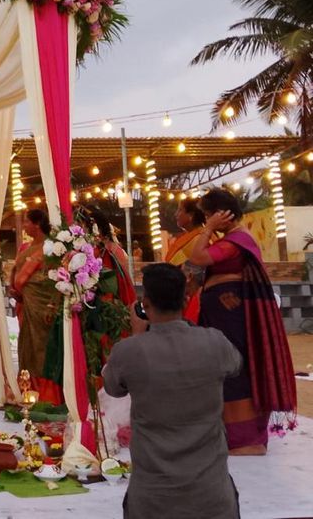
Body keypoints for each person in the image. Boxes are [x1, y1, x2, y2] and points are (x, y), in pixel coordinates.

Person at [103, 263, 242, 519]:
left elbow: (113, 387)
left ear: (144, 304)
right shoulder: (215, 342)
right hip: (212, 498)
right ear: (186, 298)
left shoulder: (129, 351)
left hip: (153, 502)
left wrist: (136, 334)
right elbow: (235, 365)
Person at [189, 188, 297, 455]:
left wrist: (208, 230)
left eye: (208, 215)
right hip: (224, 314)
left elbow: (198, 257)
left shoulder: (237, 240)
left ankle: (247, 439)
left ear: (222, 214)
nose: (205, 221)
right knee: (227, 369)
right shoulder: (232, 238)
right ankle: (236, 435)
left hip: (232, 315)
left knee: (236, 368)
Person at [9, 209, 63, 404]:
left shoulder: (52, 248)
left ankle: (48, 395)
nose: (24, 226)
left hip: (42, 305)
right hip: (26, 304)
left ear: (37, 223)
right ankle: (28, 391)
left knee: (43, 346)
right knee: (27, 347)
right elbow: (16, 272)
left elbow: (52, 278)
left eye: (26, 222)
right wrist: (14, 289)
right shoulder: (26, 247)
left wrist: (50, 304)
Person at [165, 197, 207, 323]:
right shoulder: (190, 235)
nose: (176, 214)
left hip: (191, 296)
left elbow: (197, 271)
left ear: (191, 215)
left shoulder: (201, 237)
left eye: (180, 210)